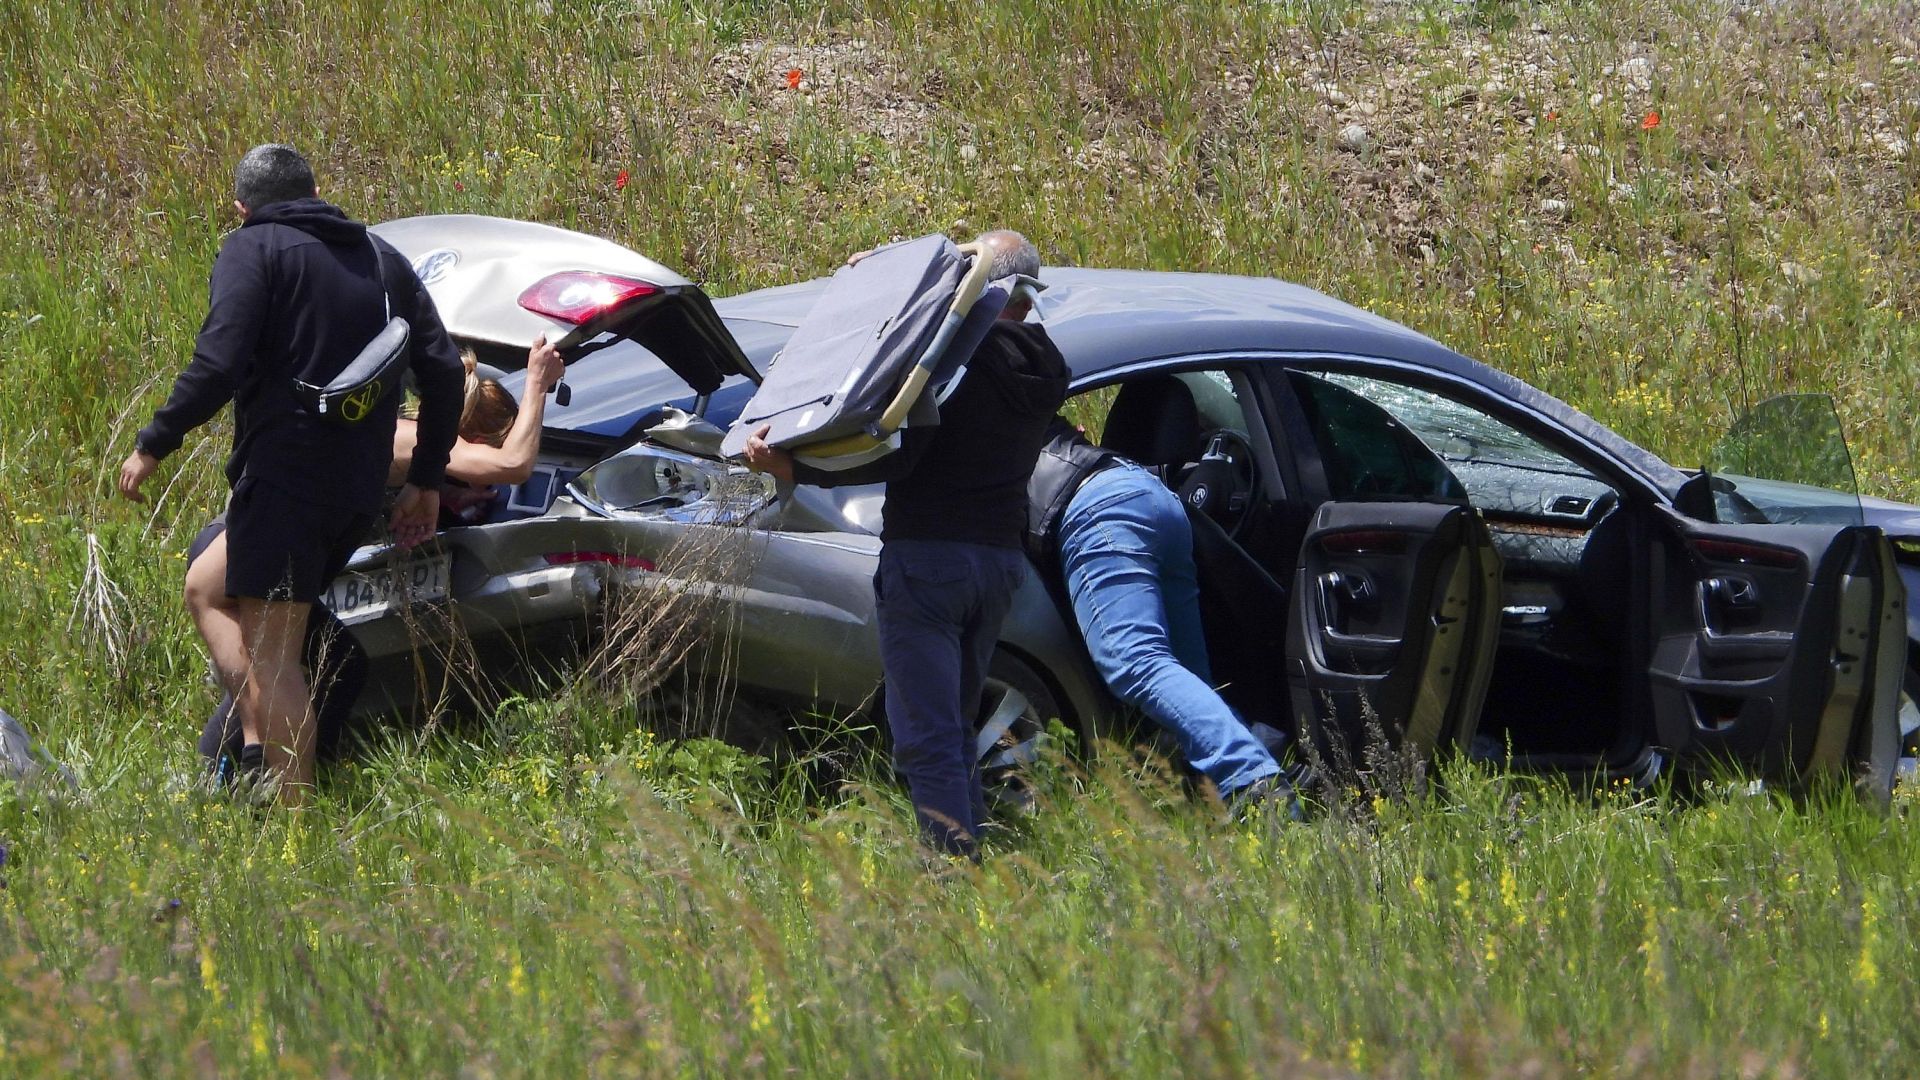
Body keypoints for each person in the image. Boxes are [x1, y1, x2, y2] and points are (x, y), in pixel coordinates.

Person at [116, 143, 465, 804]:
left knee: (275, 656)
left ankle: (294, 819)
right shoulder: (381, 258)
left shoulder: (254, 247)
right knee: (206, 587)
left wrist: (154, 442)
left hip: (286, 481)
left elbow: (219, 361)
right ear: (314, 193)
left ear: (242, 208)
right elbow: (445, 372)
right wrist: (425, 479)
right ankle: (257, 746)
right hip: (355, 490)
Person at [743, 230, 1069, 858]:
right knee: (956, 723)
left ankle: (951, 871)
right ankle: (972, 855)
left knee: (926, 734)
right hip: (997, 564)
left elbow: (898, 451)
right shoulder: (1049, 364)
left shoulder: (957, 355)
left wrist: (793, 468)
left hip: (930, 560)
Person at [192, 340, 565, 776]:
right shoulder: (414, 438)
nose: (490, 490)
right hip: (238, 551)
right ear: (478, 442)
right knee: (297, 666)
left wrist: (445, 496)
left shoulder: (412, 452)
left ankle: (268, 779)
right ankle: (243, 780)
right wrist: (537, 382)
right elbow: (514, 464)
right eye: (481, 478)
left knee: (325, 664)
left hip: (251, 549)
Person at [1026, 419, 1287, 810]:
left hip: (1097, 510)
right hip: (1145, 491)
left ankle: (1255, 782)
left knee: (1133, 662)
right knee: (1187, 674)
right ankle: (1242, 772)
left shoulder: (965, 416)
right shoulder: (1006, 399)